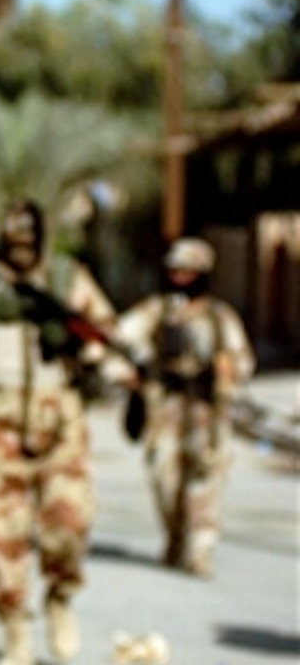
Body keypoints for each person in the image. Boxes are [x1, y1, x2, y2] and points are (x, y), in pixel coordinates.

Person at [0, 199, 115, 665]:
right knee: (2, 530)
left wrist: (88, 343)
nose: (21, 252)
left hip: (59, 415)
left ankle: (61, 595)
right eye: (13, 243)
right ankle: (16, 628)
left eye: (28, 243)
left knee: (70, 521)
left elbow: (103, 326)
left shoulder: (66, 277)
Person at [113, 237, 255, 578]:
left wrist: (229, 370)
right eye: (175, 270)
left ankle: (199, 550)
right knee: (165, 477)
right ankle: (175, 539)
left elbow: (243, 360)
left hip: (207, 408)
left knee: (205, 477)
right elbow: (120, 337)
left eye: (188, 271)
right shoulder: (156, 311)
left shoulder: (220, 317)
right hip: (166, 404)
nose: (180, 277)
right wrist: (133, 371)